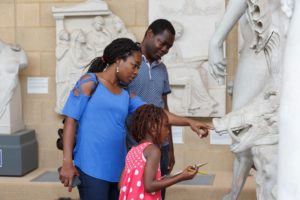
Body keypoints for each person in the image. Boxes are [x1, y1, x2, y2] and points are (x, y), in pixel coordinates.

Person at [59, 38, 210, 200]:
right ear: (118, 60)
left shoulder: (126, 95)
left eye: (138, 67)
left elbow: (156, 113)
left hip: (119, 171)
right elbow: (71, 121)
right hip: (91, 168)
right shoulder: (89, 82)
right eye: (134, 65)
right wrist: (67, 162)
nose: (136, 72)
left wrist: (189, 122)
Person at [127, 18, 211, 199]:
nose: (165, 50)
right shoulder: (129, 63)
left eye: (169, 47)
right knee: (134, 190)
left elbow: (164, 107)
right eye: (162, 43)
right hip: (133, 144)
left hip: (160, 146)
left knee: (157, 193)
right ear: (149, 34)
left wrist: (170, 147)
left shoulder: (162, 68)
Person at [119, 104, 199, 200]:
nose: (168, 131)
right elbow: (149, 186)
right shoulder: (153, 151)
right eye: (165, 126)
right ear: (153, 128)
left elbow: (121, 185)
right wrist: (181, 177)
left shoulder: (132, 151)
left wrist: (180, 174)